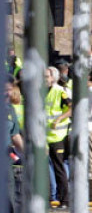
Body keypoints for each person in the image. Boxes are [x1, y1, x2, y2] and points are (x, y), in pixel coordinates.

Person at [44, 66, 71, 207]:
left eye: (46, 77)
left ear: (53, 78)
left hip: (58, 136)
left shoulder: (60, 91)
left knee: (59, 169)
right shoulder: (43, 92)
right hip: (46, 137)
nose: (44, 79)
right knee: (45, 170)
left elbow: (71, 108)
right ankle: (48, 199)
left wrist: (59, 119)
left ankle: (65, 200)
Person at [5, 76, 25, 212]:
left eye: (9, 90)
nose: (7, 93)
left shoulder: (10, 109)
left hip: (4, 160)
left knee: (9, 198)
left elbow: (15, 135)